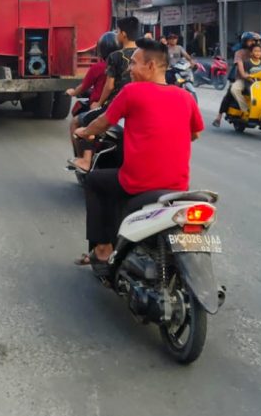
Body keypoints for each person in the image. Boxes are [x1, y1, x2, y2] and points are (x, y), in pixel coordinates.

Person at [73, 38, 203, 268]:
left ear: (151, 66)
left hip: (138, 182)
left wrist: (84, 132)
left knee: (94, 181)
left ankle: (102, 249)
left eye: (133, 63)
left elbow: (103, 122)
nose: (129, 69)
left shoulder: (132, 91)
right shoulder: (185, 97)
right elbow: (195, 134)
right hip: (178, 187)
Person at [68, 16, 140, 172]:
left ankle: (86, 160)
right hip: (140, 103)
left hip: (116, 103)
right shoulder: (144, 55)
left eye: (118, 31)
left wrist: (99, 104)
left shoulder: (116, 57)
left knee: (87, 120)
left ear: (124, 34)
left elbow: (109, 85)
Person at [66, 31, 115, 145]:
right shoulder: (126, 67)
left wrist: (73, 92)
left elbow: (83, 86)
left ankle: (83, 158)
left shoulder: (98, 68)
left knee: (76, 123)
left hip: (100, 106)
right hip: (117, 107)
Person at [214, 31, 258, 126]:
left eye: (253, 41)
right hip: (238, 77)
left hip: (256, 78)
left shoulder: (256, 51)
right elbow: (240, 67)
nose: (252, 43)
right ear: (245, 41)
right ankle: (219, 117)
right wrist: (245, 75)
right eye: (250, 41)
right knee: (230, 93)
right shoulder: (239, 52)